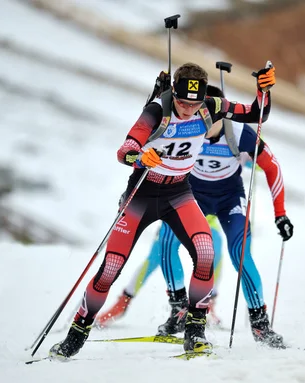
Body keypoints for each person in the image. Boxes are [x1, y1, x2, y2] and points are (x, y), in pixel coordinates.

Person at [49, 62, 276, 359]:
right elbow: (125, 149)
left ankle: (194, 331)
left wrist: (264, 91)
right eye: (182, 101)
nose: (187, 109)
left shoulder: (210, 107)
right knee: (111, 269)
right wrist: (142, 156)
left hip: (178, 192)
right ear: (173, 94)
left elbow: (256, 114)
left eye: (194, 103)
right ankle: (77, 332)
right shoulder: (159, 109)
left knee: (205, 253)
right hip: (142, 194)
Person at [97, 85, 293, 348]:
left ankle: (260, 325)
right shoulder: (185, 127)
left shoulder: (238, 133)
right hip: (190, 195)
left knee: (240, 254)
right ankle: (179, 310)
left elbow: (273, 167)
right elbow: (145, 144)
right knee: (164, 244)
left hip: (228, 199)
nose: (200, 119)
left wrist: (280, 214)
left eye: (208, 114)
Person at [95, 215, 226, 328]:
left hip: (206, 221)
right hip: (175, 217)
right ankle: (123, 301)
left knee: (215, 251)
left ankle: (208, 303)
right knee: (155, 257)